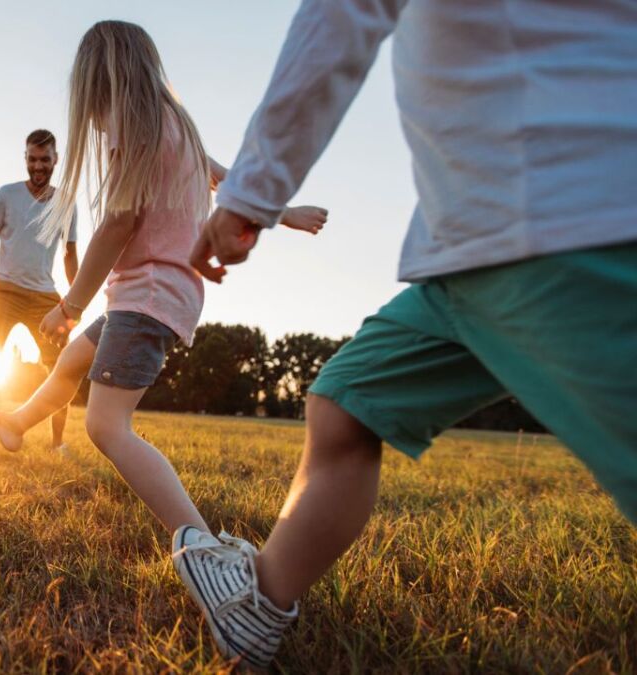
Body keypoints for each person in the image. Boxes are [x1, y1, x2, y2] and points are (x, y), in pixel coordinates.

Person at [186, 0, 637, 667]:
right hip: (468, 248)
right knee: (348, 400)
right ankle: (259, 605)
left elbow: (344, 11)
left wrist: (253, 192)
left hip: (564, 220)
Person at [0, 21, 326, 666]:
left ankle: (207, 551)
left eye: (91, 101)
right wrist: (288, 212)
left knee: (108, 428)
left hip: (148, 294)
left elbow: (117, 224)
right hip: (143, 294)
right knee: (76, 361)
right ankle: (19, 423)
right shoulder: (176, 125)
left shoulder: (141, 132)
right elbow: (227, 178)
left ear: (102, 87)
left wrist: (69, 302)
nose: (94, 121)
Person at [0, 130, 80, 451]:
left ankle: (57, 444)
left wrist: (77, 299)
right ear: (25, 158)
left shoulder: (66, 203)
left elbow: (70, 255)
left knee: (62, 369)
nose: (38, 166)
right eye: (33, 159)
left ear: (56, 160)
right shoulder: (7, 195)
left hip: (46, 298)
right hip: (4, 291)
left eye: (45, 160)